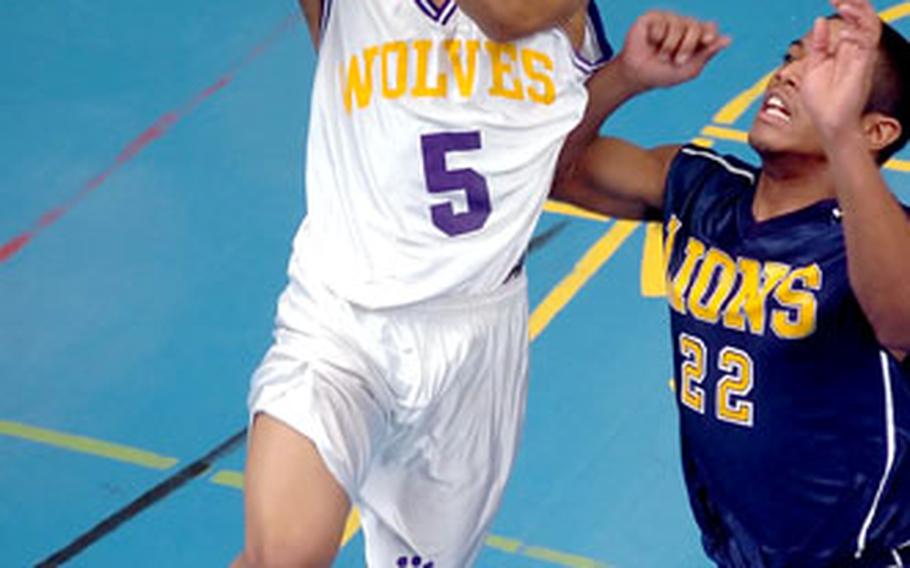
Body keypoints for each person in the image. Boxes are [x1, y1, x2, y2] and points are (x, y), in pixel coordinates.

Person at [228, 0, 666, 566]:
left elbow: (510, 24)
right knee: (281, 557)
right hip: (341, 319)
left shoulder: (564, 16)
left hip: (474, 344)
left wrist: (625, 79)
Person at [553, 0, 910, 565]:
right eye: (791, 58)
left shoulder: (882, 241)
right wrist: (624, 76)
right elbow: (546, 169)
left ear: (876, 131)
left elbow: (902, 323)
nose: (790, 73)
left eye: (829, 72)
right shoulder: (700, 189)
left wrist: (839, 133)